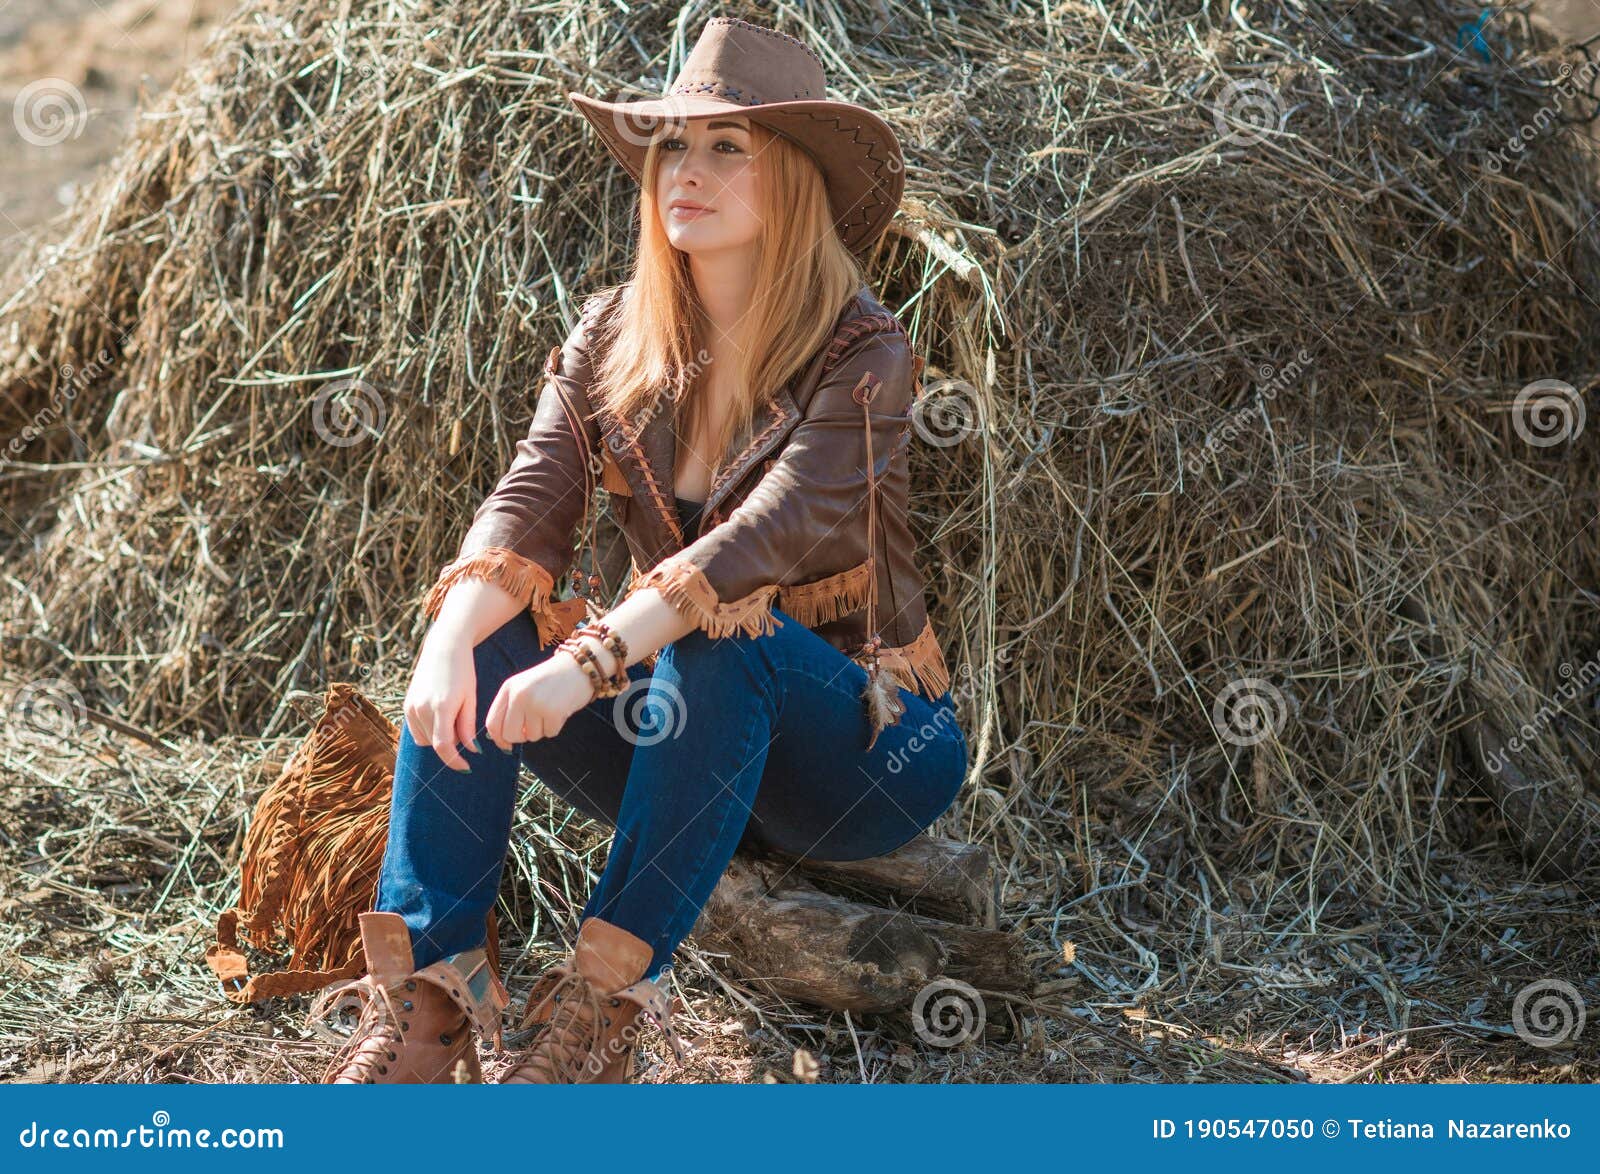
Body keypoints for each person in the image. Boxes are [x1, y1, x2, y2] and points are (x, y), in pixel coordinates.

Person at [311, 15, 968, 1085]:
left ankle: (601, 1013)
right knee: (486, 630)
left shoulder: (865, 349)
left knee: (724, 637)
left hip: (862, 753)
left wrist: (587, 660)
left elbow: (772, 534)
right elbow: (531, 495)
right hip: (680, 741)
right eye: (671, 144)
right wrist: (447, 643)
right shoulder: (613, 333)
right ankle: (428, 1008)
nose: (686, 171)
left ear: (793, 181)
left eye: (725, 148)